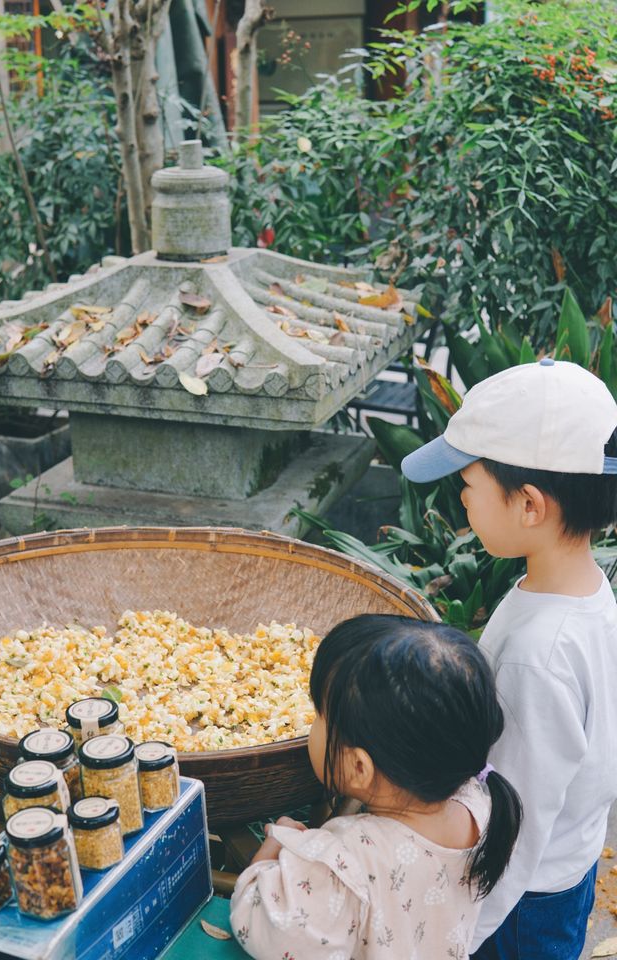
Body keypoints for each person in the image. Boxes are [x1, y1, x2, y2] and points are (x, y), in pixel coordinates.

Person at [401, 358, 617, 960]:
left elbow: (517, 821)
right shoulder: (584, 589)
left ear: (529, 506)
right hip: (566, 867)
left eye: (467, 487)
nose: (462, 502)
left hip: (521, 902)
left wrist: (460, 935)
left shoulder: (537, 656)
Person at [230, 614, 521, 959]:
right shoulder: (479, 802)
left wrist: (263, 862)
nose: (313, 724)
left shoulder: (344, 863)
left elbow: (271, 934)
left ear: (358, 767)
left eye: (318, 714)